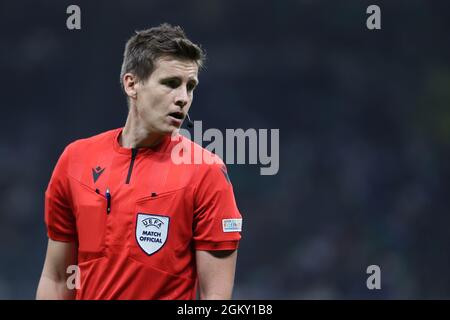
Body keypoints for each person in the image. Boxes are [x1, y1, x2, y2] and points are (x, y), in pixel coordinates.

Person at [36, 23, 242, 300]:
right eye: (171, 83)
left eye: (190, 87)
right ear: (131, 84)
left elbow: (215, 298)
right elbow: (57, 277)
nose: (183, 98)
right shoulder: (75, 160)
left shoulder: (207, 172)